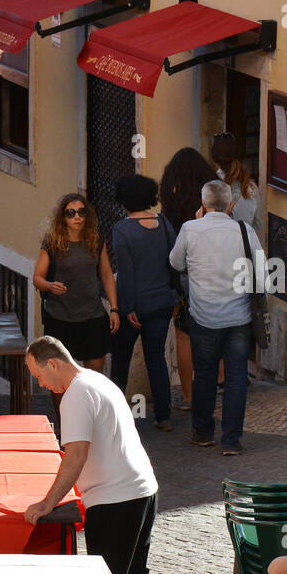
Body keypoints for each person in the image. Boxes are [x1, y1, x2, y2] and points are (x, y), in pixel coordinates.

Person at [21, 336, 159, 574]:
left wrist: (48, 503)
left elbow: (76, 457)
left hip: (115, 500)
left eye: (39, 376)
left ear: (54, 364)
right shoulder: (97, 380)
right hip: (142, 489)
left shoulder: (75, 396)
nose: (42, 384)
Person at [168, 180, 263, 455]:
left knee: (205, 375)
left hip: (203, 316)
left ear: (204, 204)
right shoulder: (245, 231)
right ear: (231, 205)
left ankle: (203, 432)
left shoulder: (190, 229)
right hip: (239, 317)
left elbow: (175, 263)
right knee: (235, 378)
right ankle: (231, 441)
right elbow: (261, 271)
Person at [108, 174, 178, 432]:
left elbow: (126, 274)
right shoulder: (164, 223)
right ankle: (164, 416)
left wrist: (126, 308)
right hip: (162, 303)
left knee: (121, 359)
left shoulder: (122, 230)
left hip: (134, 307)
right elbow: (172, 263)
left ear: (124, 202)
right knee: (156, 358)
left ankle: (113, 414)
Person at [32, 195, 118, 391]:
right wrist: (50, 285)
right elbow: (37, 277)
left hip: (92, 316)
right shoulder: (52, 243)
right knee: (59, 380)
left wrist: (114, 308)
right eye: (71, 213)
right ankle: (64, 420)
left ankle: (93, 419)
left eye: (81, 212)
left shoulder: (96, 241)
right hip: (60, 318)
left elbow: (106, 275)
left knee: (95, 380)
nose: (77, 217)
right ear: (63, 217)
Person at [159, 147, 217, 410]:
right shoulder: (212, 204)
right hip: (215, 273)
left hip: (183, 277)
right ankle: (221, 385)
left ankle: (188, 396)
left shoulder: (172, 211)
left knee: (184, 335)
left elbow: (172, 253)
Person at [211, 132, 260, 236]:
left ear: (214, 160)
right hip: (248, 249)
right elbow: (258, 226)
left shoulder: (212, 188)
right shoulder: (251, 187)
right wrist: (260, 253)